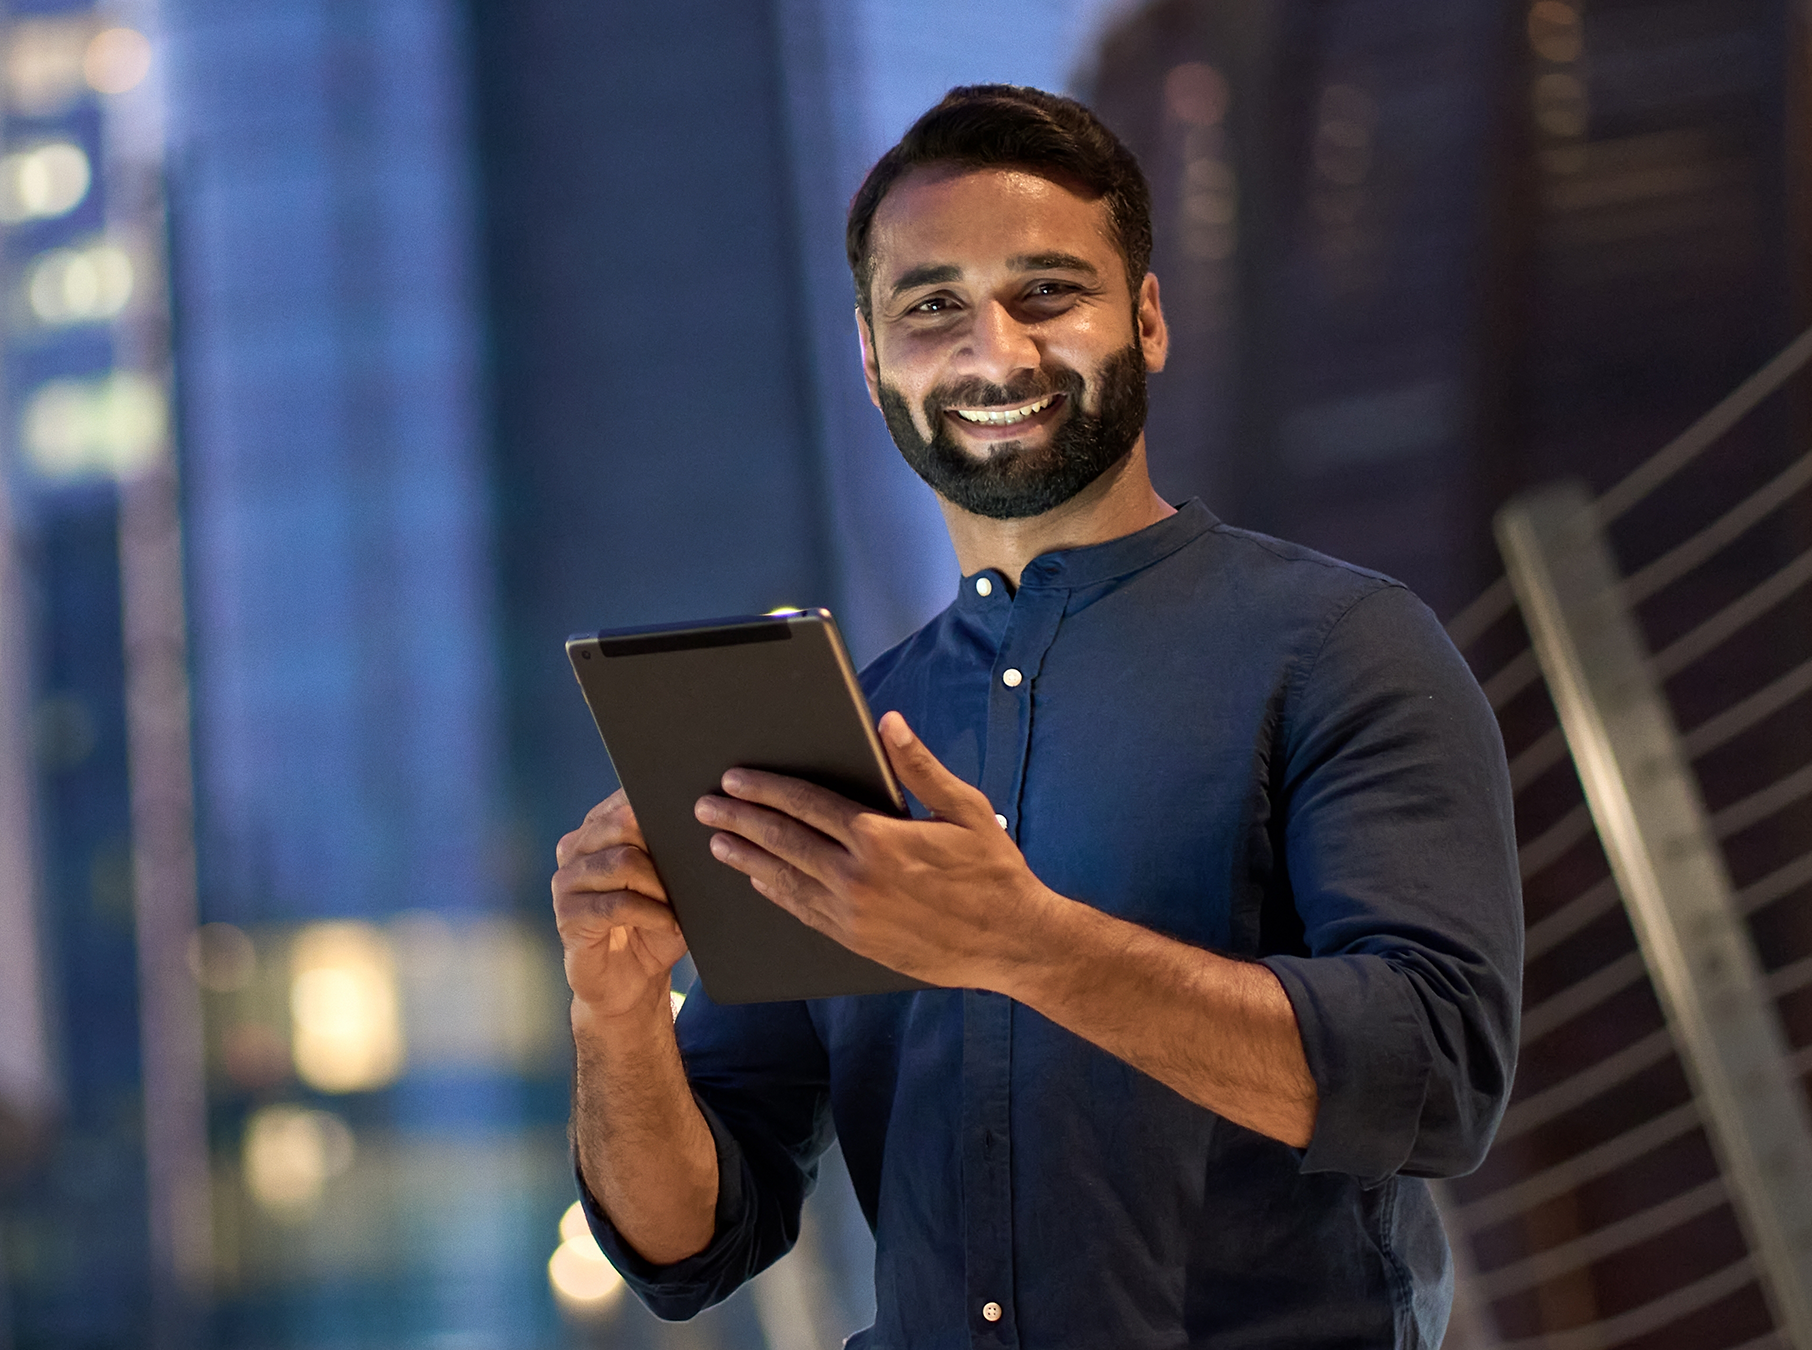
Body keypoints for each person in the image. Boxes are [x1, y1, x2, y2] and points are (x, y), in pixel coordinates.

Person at [549, 85, 1521, 1349]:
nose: (994, 354)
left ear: (1150, 319)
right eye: (934, 306)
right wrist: (613, 1012)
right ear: (870, 354)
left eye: (1048, 292)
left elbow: (1435, 1077)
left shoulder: (1340, 647)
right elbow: (694, 1245)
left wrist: (1028, 945)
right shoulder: (847, 728)